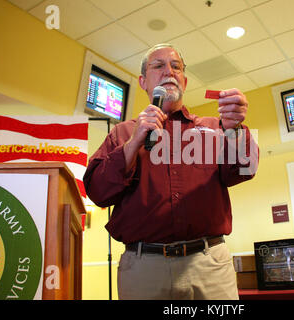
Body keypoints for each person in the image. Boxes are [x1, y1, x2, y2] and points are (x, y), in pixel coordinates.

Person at [83, 43, 258, 300]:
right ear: (143, 81)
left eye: (176, 67)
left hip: (209, 266)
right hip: (144, 270)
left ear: (184, 81)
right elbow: (97, 192)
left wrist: (235, 129)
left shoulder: (215, 128)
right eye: (159, 66)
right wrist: (133, 144)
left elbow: (244, 170)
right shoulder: (121, 134)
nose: (169, 71)